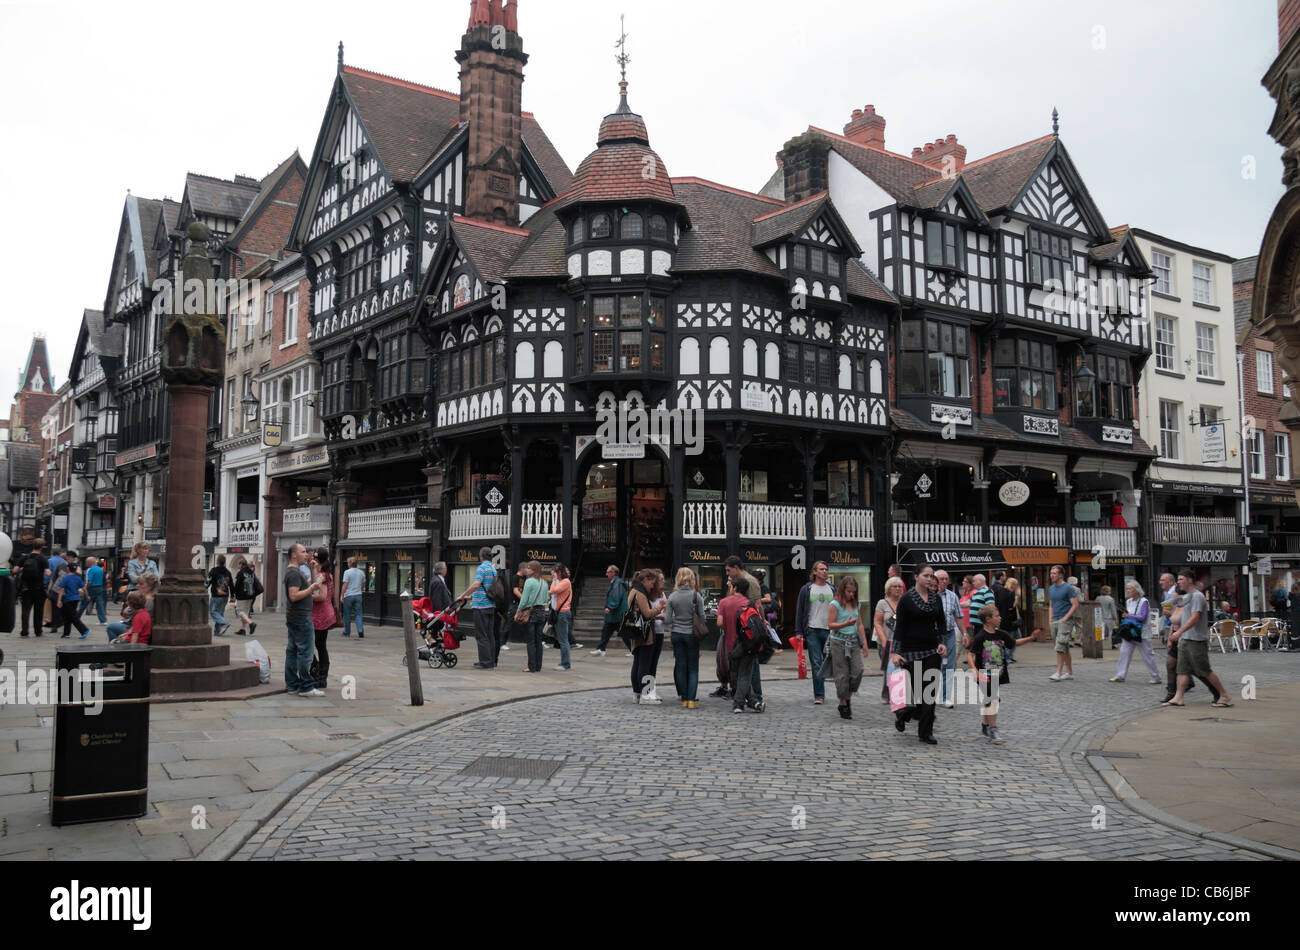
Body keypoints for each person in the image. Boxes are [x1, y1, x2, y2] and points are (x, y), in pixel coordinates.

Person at [890, 564, 946, 744]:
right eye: (926, 575)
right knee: (920, 694)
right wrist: (896, 652)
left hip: (932, 650)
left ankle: (925, 733)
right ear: (916, 577)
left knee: (929, 693)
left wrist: (942, 642)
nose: (929, 579)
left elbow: (942, 623)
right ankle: (904, 713)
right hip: (911, 651)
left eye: (931, 576)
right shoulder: (906, 599)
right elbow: (899, 628)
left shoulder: (936, 599)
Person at [965, 603, 1036, 744]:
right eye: (997, 616)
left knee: (989, 700)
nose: (1000, 618)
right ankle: (993, 728)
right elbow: (970, 655)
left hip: (997, 673)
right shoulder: (981, 637)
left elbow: (1014, 642)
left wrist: (1030, 638)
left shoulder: (1001, 634)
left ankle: (985, 724)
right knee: (993, 699)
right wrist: (975, 670)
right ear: (988, 619)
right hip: (983, 673)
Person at [1164, 569, 1234, 708]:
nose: (1179, 582)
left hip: (1196, 640)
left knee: (1204, 670)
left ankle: (1223, 695)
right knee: (1182, 670)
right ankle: (1178, 697)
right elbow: (1180, 618)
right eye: (1178, 580)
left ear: (1190, 580)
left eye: (1181, 579)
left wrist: (1179, 633)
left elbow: (1195, 618)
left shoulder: (1197, 596)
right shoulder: (1187, 597)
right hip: (1185, 639)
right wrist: (1169, 617)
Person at [825, 576, 869, 719]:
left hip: (853, 641)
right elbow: (830, 625)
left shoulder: (856, 604)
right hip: (838, 641)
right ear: (843, 590)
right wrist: (845, 624)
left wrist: (865, 643)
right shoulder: (835, 604)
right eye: (849, 592)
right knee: (842, 674)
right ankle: (843, 703)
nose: (851, 595)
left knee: (858, 671)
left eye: (853, 592)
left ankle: (847, 697)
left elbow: (860, 624)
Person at [284, 543, 325, 697]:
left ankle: (292, 685)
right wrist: (312, 589)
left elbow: (304, 587)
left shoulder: (296, 572)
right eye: (302, 552)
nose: (306, 554)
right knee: (305, 652)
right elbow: (294, 596)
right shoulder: (294, 573)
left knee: (293, 651)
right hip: (301, 617)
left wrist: (313, 571)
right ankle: (306, 686)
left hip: (295, 616)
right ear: (294, 555)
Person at [794, 561, 835, 705]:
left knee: (828, 662)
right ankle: (819, 695)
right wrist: (799, 631)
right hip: (812, 630)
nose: (825, 571)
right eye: (821, 569)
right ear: (815, 572)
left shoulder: (832, 589)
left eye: (826, 569)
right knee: (816, 663)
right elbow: (800, 610)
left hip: (829, 630)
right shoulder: (807, 589)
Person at [665, 567, 706, 707]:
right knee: (693, 668)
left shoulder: (672, 596)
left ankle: (683, 698)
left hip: (677, 634)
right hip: (691, 634)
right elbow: (703, 617)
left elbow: (667, 620)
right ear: (691, 578)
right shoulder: (696, 596)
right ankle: (691, 700)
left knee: (681, 666)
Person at [624, 568, 666, 702]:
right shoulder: (640, 594)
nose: (653, 586)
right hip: (644, 632)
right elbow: (647, 614)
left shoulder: (633, 591)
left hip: (636, 630)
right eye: (652, 582)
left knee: (638, 663)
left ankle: (637, 693)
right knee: (644, 664)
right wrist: (660, 606)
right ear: (646, 580)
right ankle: (645, 694)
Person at [456, 546, 499, 669]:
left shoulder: (482, 568)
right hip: (491, 605)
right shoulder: (493, 569)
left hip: (481, 606)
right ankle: (490, 661)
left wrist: (464, 595)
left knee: (481, 635)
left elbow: (476, 584)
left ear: (480, 557)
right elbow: (487, 589)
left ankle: (485, 662)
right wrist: (470, 598)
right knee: (490, 635)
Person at [727, 578, 766, 714]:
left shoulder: (724, 602)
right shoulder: (750, 604)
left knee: (739, 675)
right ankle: (754, 702)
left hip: (731, 644)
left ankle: (738, 703)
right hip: (748, 643)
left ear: (735, 588)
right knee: (744, 675)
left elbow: (720, 623)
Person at [1111, 581, 1162, 684]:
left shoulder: (1144, 601)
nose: (1128, 591)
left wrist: (1128, 616)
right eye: (1128, 589)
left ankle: (1155, 676)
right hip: (1129, 632)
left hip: (1141, 633)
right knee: (1124, 653)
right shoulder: (1129, 601)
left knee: (1147, 655)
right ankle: (1120, 675)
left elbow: (1142, 617)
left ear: (1136, 590)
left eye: (1130, 589)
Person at [934, 570, 967, 708]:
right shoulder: (929, 596)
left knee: (949, 666)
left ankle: (945, 697)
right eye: (941, 579)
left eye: (946, 579)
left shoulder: (953, 596)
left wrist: (964, 633)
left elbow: (958, 617)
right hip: (933, 636)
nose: (944, 581)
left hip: (949, 634)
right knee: (933, 665)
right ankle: (932, 695)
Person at [309, 548, 337, 688]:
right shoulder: (325, 574)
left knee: (316, 645)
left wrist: (307, 596)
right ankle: (320, 675)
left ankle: (319, 675)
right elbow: (314, 583)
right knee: (319, 645)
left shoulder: (323, 576)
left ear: (316, 559)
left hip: (320, 614)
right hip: (323, 613)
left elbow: (321, 596)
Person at [515, 561, 549, 673]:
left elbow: (524, 599)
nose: (527, 570)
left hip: (531, 612)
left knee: (531, 641)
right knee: (538, 641)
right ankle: (538, 666)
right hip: (542, 612)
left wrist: (519, 611)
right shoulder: (544, 583)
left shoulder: (529, 581)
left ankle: (531, 666)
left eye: (529, 568)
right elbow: (546, 599)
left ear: (534, 570)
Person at [874, 576, 904, 703]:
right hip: (886, 641)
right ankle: (886, 694)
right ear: (888, 589)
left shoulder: (904, 602)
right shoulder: (882, 603)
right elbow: (877, 622)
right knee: (888, 668)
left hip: (901, 642)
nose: (897, 589)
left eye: (899, 586)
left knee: (900, 668)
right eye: (894, 586)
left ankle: (898, 693)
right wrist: (883, 639)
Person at [1046, 565, 1078, 681]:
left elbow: (1075, 605)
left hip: (1065, 620)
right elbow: (1051, 605)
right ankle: (1069, 673)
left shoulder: (1068, 588)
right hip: (1054, 620)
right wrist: (1050, 618)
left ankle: (1058, 673)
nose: (1052, 575)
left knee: (1060, 646)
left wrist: (1065, 618)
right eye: (1051, 573)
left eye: (1054, 573)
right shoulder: (1051, 588)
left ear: (1060, 575)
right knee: (1064, 647)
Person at [106, 573, 158, 641]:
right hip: (137, 626)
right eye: (138, 583)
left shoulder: (146, 600)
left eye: (141, 584)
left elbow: (128, 613)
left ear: (150, 586)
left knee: (111, 627)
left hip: (137, 628)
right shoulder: (149, 597)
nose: (137, 586)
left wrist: (128, 633)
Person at [591, 565, 628, 657]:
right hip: (615, 614)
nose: (606, 574)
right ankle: (601, 649)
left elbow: (616, 596)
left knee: (623, 633)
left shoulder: (617, 583)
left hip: (616, 613)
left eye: (608, 572)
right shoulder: (616, 582)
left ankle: (634, 650)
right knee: (606, 631)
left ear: (613, 573)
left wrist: (610, 607)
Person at [17, 540, 48, 636]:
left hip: (26, 588)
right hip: (39, 588)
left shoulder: (25, 557)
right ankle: (38, 631)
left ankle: (24, 631)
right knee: (38, 611)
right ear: (41, 547)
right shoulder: (43, 559)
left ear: (32, 546)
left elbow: (15, 570)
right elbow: (48, 572)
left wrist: (22, 569)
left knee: (25, 610)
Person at [55, 562, 90, 639]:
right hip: (76, 599)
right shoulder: (78, 578)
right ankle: (66, 633)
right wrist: (87, 596)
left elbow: (61, 589)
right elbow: (84, 588)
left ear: (68, 569)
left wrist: (59, 600)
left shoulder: (66, 578)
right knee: (67, 616)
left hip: (68, 599)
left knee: (73, 617)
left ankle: (84, 630)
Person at [550, 563, 574, 671]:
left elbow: (552, 591)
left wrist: (554, 580)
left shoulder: (565, 582)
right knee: (561, 639)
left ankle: (565, 664)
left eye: (554, 572)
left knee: (563, 640)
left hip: (563, 613)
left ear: (559, 572)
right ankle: (564, 662)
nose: (553, 574)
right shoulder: (561, 582)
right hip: (559, 613)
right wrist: (555, 581)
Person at [232, 557, 261, 636]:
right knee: (245, 613)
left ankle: (251, 624)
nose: (238, 566)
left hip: (242, 595)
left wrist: (234, 593)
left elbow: (237, 584)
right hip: (250, 595)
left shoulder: (240, 573)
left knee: (239, 611)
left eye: (238, 564)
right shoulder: (251, 572)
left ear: (241, 564)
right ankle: (243, 629)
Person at [996, 576, 1022, 663]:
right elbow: (1011, 607)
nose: (1016, 587)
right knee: (1015, 638)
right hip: (1010, 621)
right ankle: (1007, 657)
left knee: (1010, 638)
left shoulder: (1001, 592)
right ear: (1012, 585)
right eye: (1015, 585)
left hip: (1003, 620)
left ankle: (1008, 656)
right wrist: (1016, 600)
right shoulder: (1010, 594)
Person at [338, 557, 365, 638]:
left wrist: (342, 595)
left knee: (347, 614)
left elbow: (345, 585)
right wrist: (359, 590)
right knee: (358, 614)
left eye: (348, 563)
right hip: (358, 595)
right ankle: (360, 630)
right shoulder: (361, 572)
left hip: (348, 596)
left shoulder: (347, 572)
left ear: (350, 563)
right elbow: (363, 585)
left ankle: (347, 631)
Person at [207, 554, 233, 637]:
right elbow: (231, 585)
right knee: (220, 613)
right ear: (224, 562)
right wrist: (232, 595)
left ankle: (224, 623)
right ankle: (217, 631)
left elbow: (208, 581)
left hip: (216, 596)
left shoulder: (213, 571)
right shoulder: (228, 572)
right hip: (225, 596)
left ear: (217, 562)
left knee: (213, 612)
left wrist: (204, 587)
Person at [966, 574, 995, 647]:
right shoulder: (976, 592)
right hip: (977, 625)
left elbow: (991, 606)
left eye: (974, 581)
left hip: (983, 625)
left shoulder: (987, 591)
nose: (973, 583)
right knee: (978, 644)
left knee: (982, 645)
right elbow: (969, 602)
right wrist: (957, 604)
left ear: (980, 581)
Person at [79, 556, 108, 625]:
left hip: (91, 588)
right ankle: (103, 620)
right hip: (99, 588)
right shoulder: (100, 569)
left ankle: (76, 617)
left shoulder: (91, 570)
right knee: (100, 604)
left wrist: (85, 588)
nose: (85, 563)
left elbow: (89, 581)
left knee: (84, 603)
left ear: (89, 562)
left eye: (86, 562)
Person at [1097, 585, 1118, 649]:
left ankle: (1098, 644)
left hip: (1100, 616)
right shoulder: (1110, 599)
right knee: (1111, 631)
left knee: (1099, 631)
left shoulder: (1098, 598)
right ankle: (1113, 644)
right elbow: (1113, 609)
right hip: (1109, 617)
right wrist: (1115, 618)